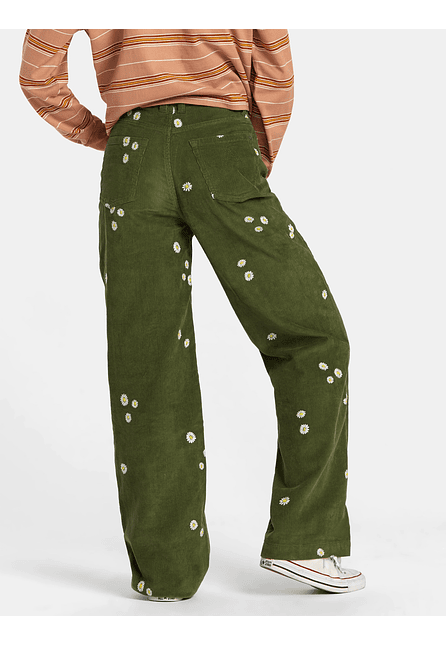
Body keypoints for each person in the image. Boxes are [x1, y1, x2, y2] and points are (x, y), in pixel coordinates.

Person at [19, 28, 366, 601]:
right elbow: (273, 66)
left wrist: (107, 133)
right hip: (220, 141)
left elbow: (39, 74)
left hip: (131, 156)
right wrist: (252, 157)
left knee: (147, 363)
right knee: (312, 338)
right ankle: (304, 539)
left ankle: (166, 573)